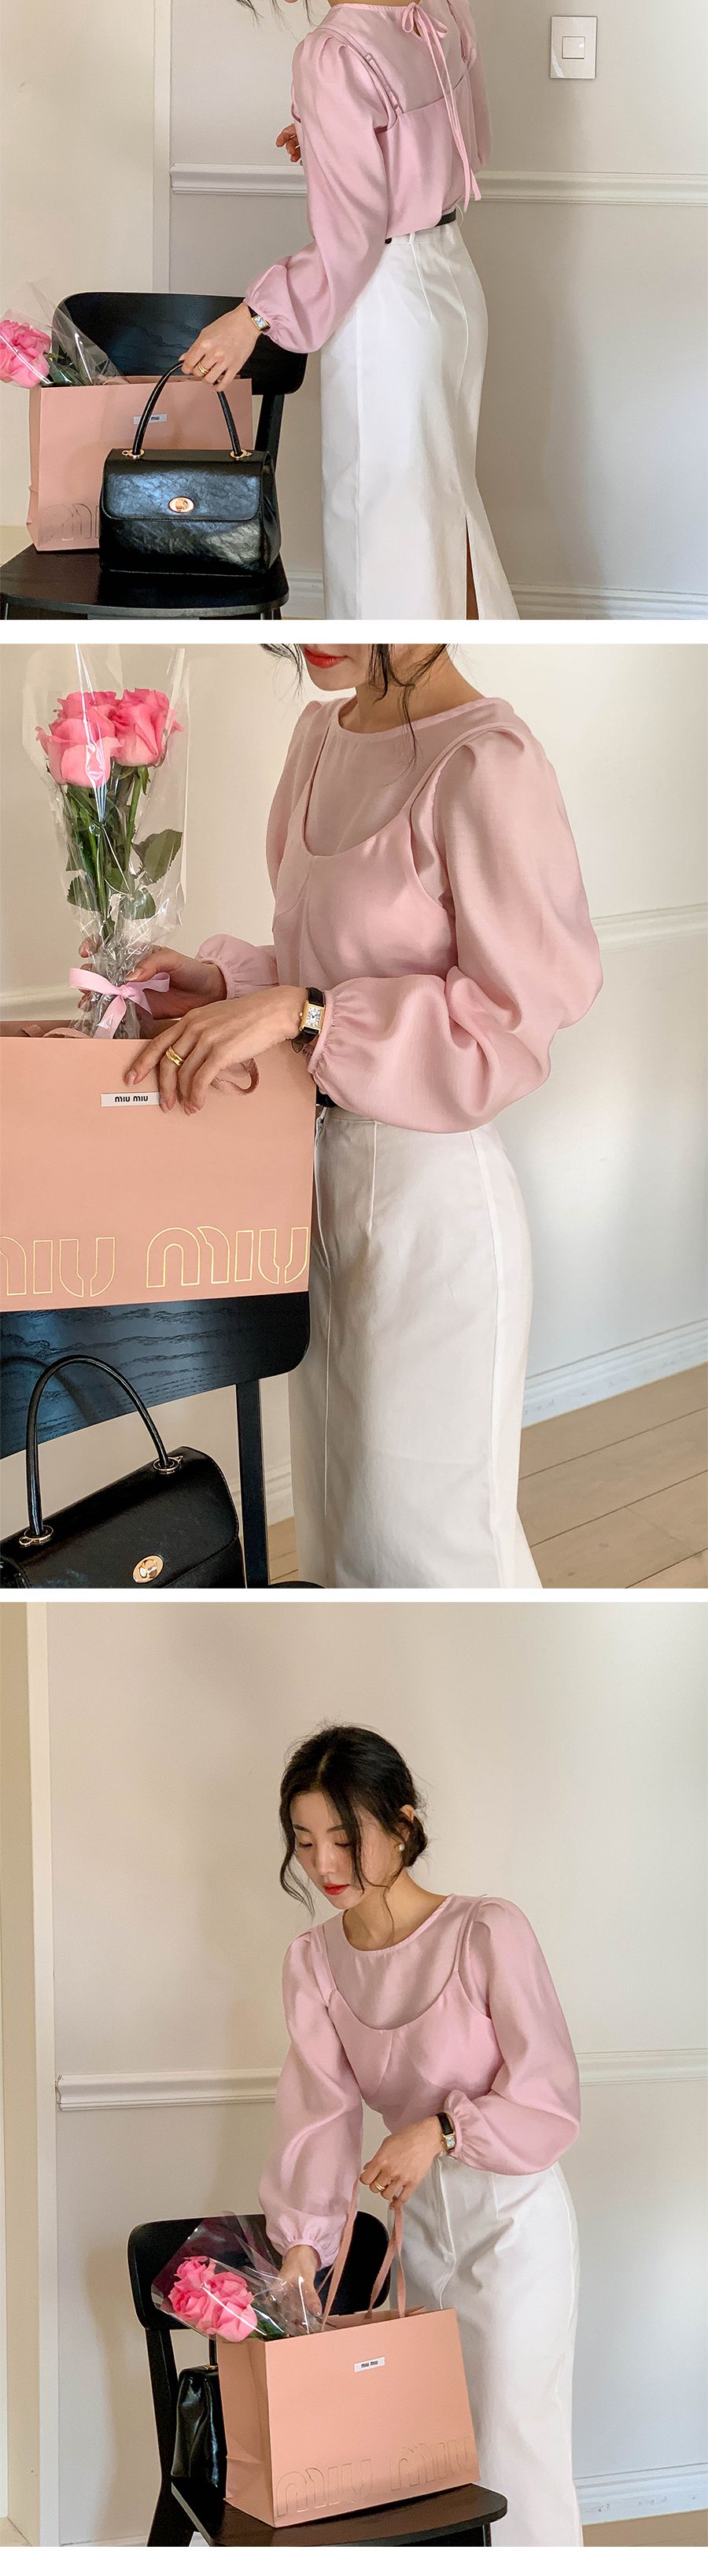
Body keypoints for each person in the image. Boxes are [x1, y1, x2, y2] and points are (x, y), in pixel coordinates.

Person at [126, 644, 602, 1592]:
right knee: (345, 1534)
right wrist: (229, 986)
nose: (316, 639)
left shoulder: (487, 762)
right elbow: (331, 969)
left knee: (432, 1544)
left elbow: (510, 1021)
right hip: (314, 1187)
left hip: (431, 1205)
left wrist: (305, 1013)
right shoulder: (319, 737)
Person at [260, 1722, 583, 2548]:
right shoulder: (314, 1962)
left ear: (402, 1825)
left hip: (514, 2223)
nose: (324, 1864)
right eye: (304, 1840)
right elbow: (319, 2112)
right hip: (422, 2232)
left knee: (515, 2438)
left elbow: (548, 2097)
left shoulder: (486, 1931)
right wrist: (301, 2247)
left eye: (345, 1837)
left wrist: (438, 2130)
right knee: (433, 2450)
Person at [178, 0, 517, 622]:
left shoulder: (331, 53)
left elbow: (352, 241)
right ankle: (478, 657)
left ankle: (392, 682)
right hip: (454, 287)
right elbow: (465, 147)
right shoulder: (442, 5)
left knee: (381, 524)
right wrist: (332, 135)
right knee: (444, 509)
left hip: (388, 306)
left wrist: (253, 315)